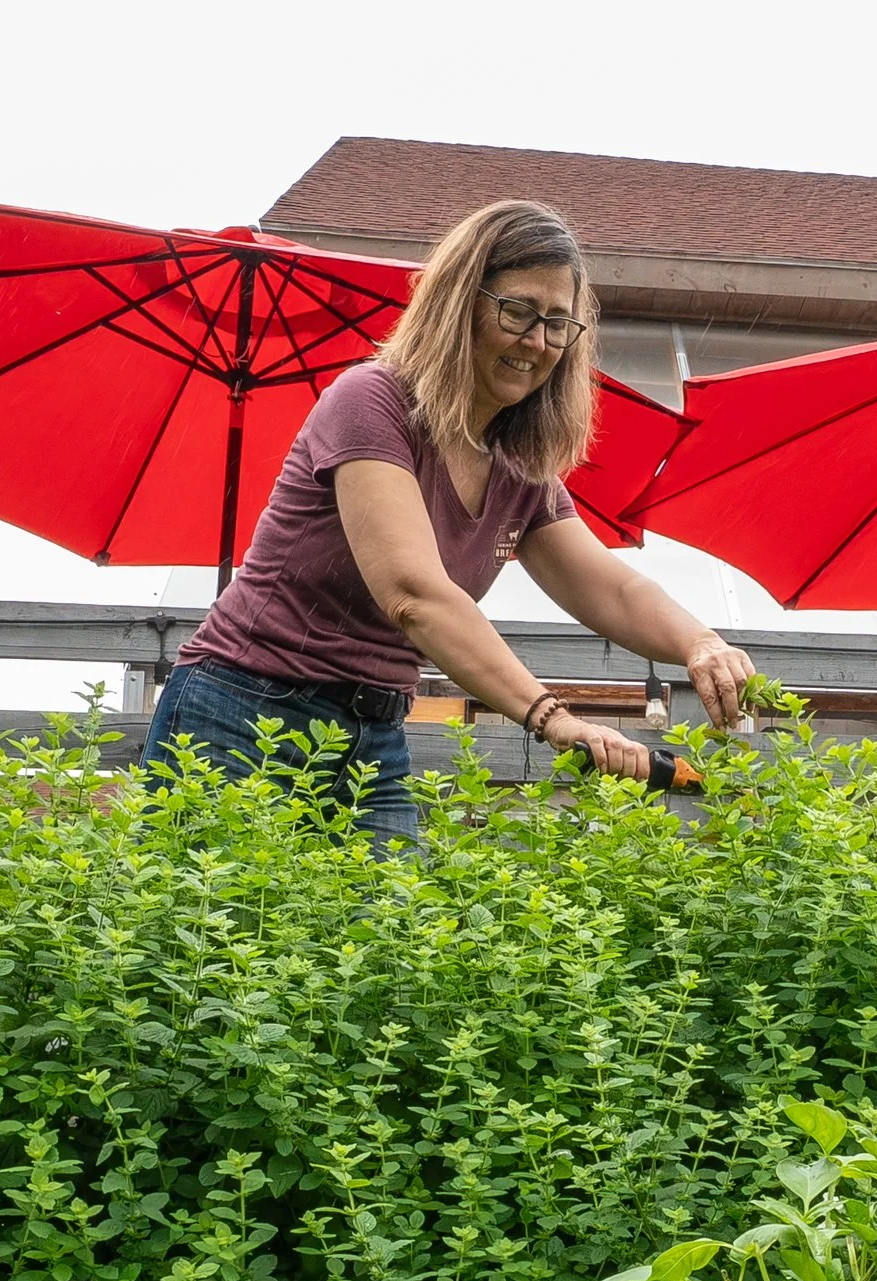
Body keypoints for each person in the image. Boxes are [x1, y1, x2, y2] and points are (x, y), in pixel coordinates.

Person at [140, 199, 755, 843]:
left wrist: (700, 643)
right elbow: (415, 595)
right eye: (517, 311)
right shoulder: (371, 401)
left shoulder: (519, 464)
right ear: (461, 301)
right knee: (218, 908)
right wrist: (553, 717)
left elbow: (612, 587)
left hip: (373, 734)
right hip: (242, 713)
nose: (537, 341)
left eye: (558, 323)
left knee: (388, 911)